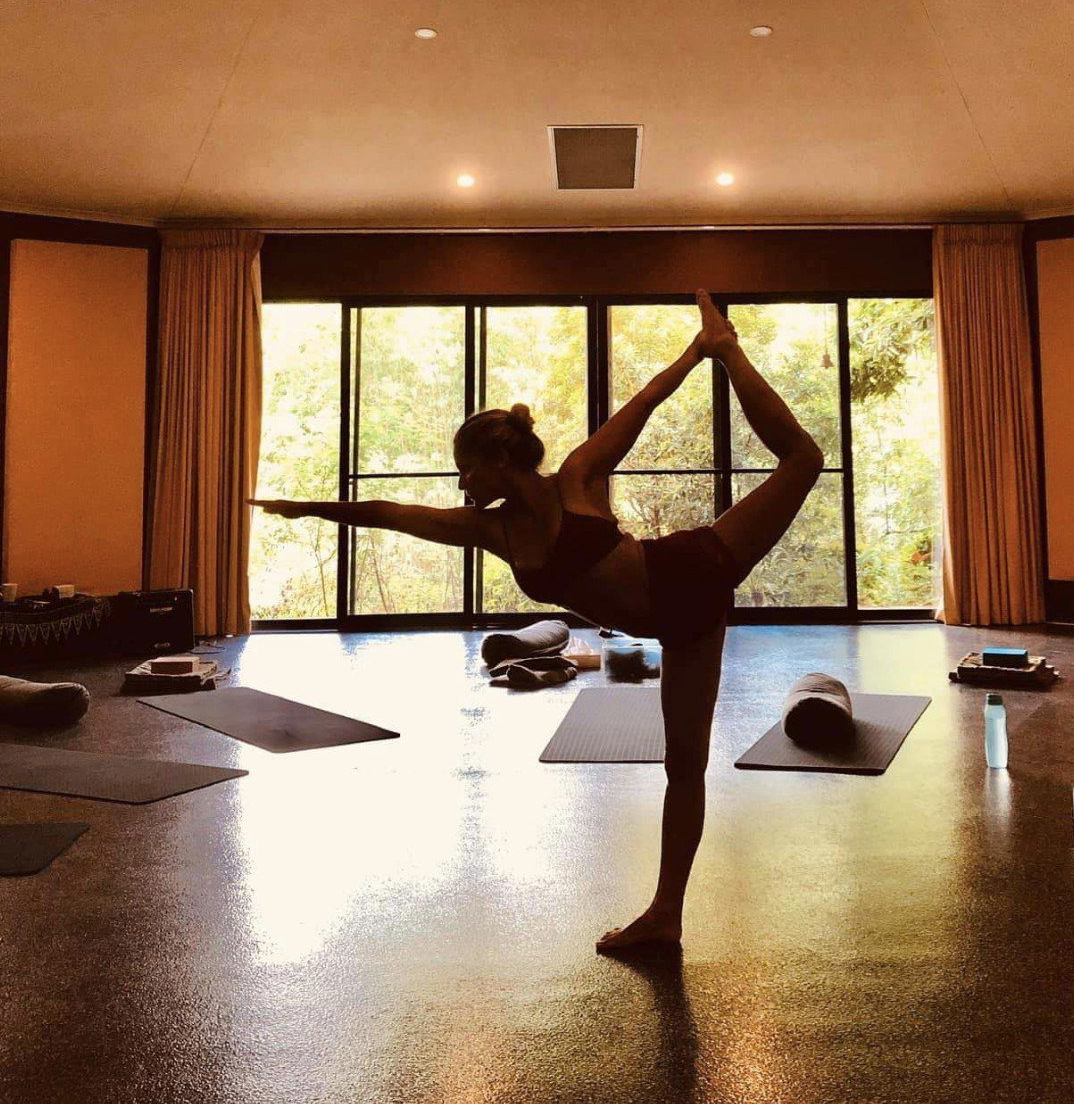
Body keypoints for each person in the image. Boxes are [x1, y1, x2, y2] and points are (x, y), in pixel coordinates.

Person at [251, 291, 823, 951]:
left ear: (499, 461)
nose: (461, 484)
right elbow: (391, 513)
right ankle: (665, 918)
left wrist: (699, 353)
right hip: (683, 628)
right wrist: (308, 509)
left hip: (696, 567)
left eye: (466, 469)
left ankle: (728, 349)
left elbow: (644, 402)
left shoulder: (577, 477)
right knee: (684, 767)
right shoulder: (490, 530)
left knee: (804, 460)